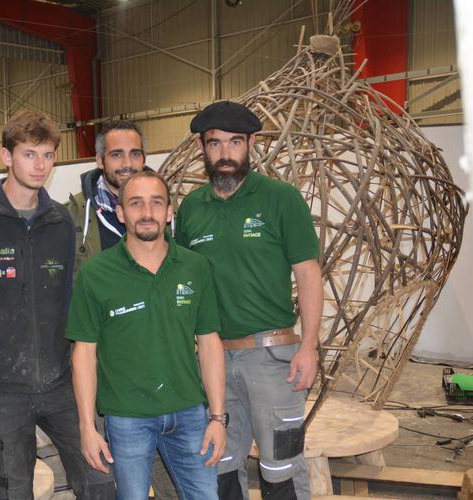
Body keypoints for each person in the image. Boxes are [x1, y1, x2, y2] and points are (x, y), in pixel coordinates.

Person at [0, 110, 115, 499]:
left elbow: (69, 297)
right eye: (29, 154)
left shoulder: (61, 222)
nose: (40, 165)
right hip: (1, 388)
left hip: (61, 380)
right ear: (6, 156)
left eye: (47, 155)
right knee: (12, 490)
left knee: (100, 479)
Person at [175, 101, 323, 500]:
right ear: (202, 149)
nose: (224, 154)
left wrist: (308, 346)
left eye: (234, 143)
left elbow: (308, 273)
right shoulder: (191, 210)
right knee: (219, 467)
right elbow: (180, 282)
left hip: (273, 359)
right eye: (215, 144)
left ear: (251, 144)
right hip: (214, 359)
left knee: (281, 468)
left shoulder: (280, 199)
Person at [67, 170, 228, 500]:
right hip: (127, 419)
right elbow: (83, 352)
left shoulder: (195, 267)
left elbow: (210, 341)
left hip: (189, 413)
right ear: (121, 212)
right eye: (136, 203)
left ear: (169, 211)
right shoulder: (95, 274)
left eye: (157, 203)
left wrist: (217, 417)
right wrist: (87, 426)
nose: (147, 212)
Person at [66, 120, 149, 270]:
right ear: (100, 160)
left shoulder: (167, 211)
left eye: (135, 154)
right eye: (117, 154)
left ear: (144, 159)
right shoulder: (73, 216)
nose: (127, 164)